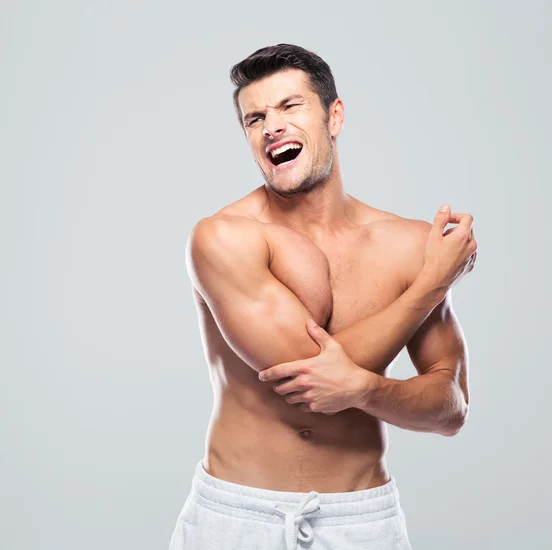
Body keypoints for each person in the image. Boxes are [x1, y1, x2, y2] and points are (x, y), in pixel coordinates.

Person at [168, 43, 477, 550]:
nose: (272, 126)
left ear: (334, 116)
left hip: (361, 521)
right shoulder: (222, 237)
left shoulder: (406, 244)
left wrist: (367, 391)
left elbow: (452, 408)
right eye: (255, 118)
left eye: (290, 107)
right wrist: (430, 286)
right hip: (236, 518)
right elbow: (310, 378)